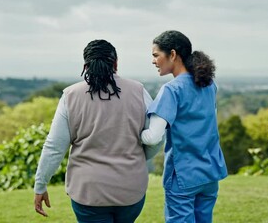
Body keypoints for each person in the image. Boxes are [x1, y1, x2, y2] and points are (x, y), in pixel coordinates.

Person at [34, 39, 163, 223]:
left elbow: (54, 147)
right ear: (116, 63)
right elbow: (156, 137)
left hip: (88, 192)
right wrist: (140, 158)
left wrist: (40, 185)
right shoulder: (139, 91)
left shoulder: (70, 96)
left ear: (85, 65)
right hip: (131, 191)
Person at [141, 30, 228, 222]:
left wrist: (131, 133)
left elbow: (153, 137)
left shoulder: (171, 90)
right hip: (210, 173)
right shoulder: (209, 85)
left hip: (184, 175)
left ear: (172, 54)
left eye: (156, 55)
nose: (153, 61)